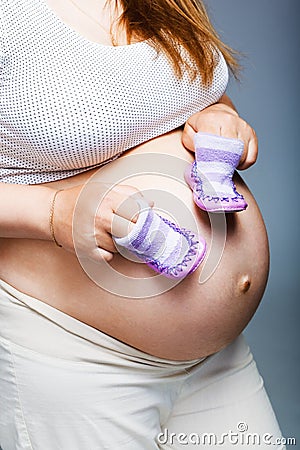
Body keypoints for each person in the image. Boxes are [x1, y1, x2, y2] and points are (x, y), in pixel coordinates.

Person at [0, 0, 285, 449]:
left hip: (213, 358)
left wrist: (221, 116)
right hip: (78, 357)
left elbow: (178, 93)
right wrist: (53, 213)